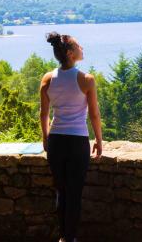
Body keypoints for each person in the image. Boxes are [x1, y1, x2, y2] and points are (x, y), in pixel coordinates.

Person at [39, 32, 103, 242]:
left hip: (56, 140)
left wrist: (46, 138)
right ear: (70, 53)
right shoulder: (86, 80)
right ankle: (70, 238)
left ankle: (62, 237)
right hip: (77, 143)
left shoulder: (48, 79)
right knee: (74, 193)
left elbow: (44, 114)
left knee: (61, 191)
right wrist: (99, 141)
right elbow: (94, 114)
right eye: (78, 46)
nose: (82, 47)